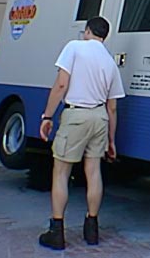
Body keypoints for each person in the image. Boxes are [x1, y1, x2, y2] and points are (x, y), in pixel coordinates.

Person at [37, 16, 125, 250]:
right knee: (93, 171)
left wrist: (47, 116)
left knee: (61, 172)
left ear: (87, 31)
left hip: (76, 115)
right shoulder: (109, 62)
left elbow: (61, 85)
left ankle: (57, 231)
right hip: (100, 118)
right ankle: (92, 228)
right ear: (104, 36)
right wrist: (111, 140)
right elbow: (113, 106)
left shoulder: (74, 47)